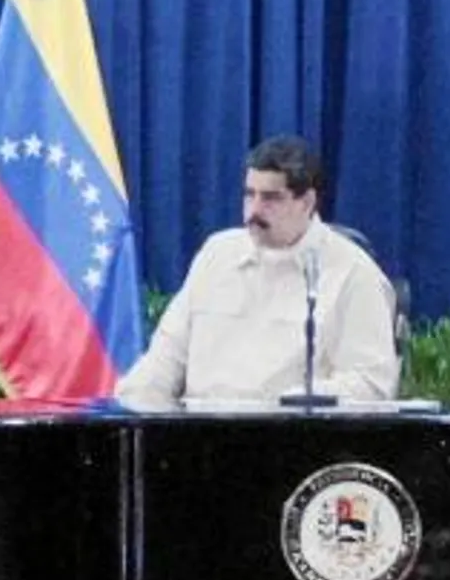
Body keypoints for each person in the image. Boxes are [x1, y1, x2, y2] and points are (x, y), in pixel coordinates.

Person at [115, 136, 400, 407]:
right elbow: (164, 360)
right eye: (249, 195)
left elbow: (371, 385)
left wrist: (292, 405)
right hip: (196, 437)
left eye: (271, 198)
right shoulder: (217, 254)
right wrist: (131, 406)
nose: (254, 210)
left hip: (292, 441)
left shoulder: (353, 273)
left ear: (307, 202)